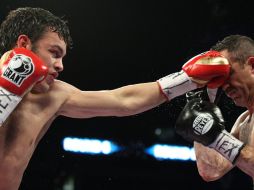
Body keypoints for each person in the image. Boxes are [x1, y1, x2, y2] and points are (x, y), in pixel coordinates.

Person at [0, 7, 229, 190]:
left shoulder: (53, 95)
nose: (60, 66)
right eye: (54, 53)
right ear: (24, 45)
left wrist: (185, 79)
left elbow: (122, 101)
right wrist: (7, 89)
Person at [175, 35, 254, 185]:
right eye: (220, 79)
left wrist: (218, 138)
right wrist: (201, 107)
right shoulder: (244, 122)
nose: (224, 86)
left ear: (252, 66)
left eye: (228, 74)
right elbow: (211, 170)